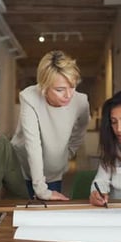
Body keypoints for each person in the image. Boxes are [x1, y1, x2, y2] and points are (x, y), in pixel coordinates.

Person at [11, 50, 90, 200]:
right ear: (44, 86)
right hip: (22, 166)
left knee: (48, 215)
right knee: (22, 215)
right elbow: (32, 144)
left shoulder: (81, 101)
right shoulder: (29, 97)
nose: (68, 95)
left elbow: (81, 129)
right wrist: (41, 190)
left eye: (72, 87)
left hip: (53, 170)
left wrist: (69, 152)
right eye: (60, 90)